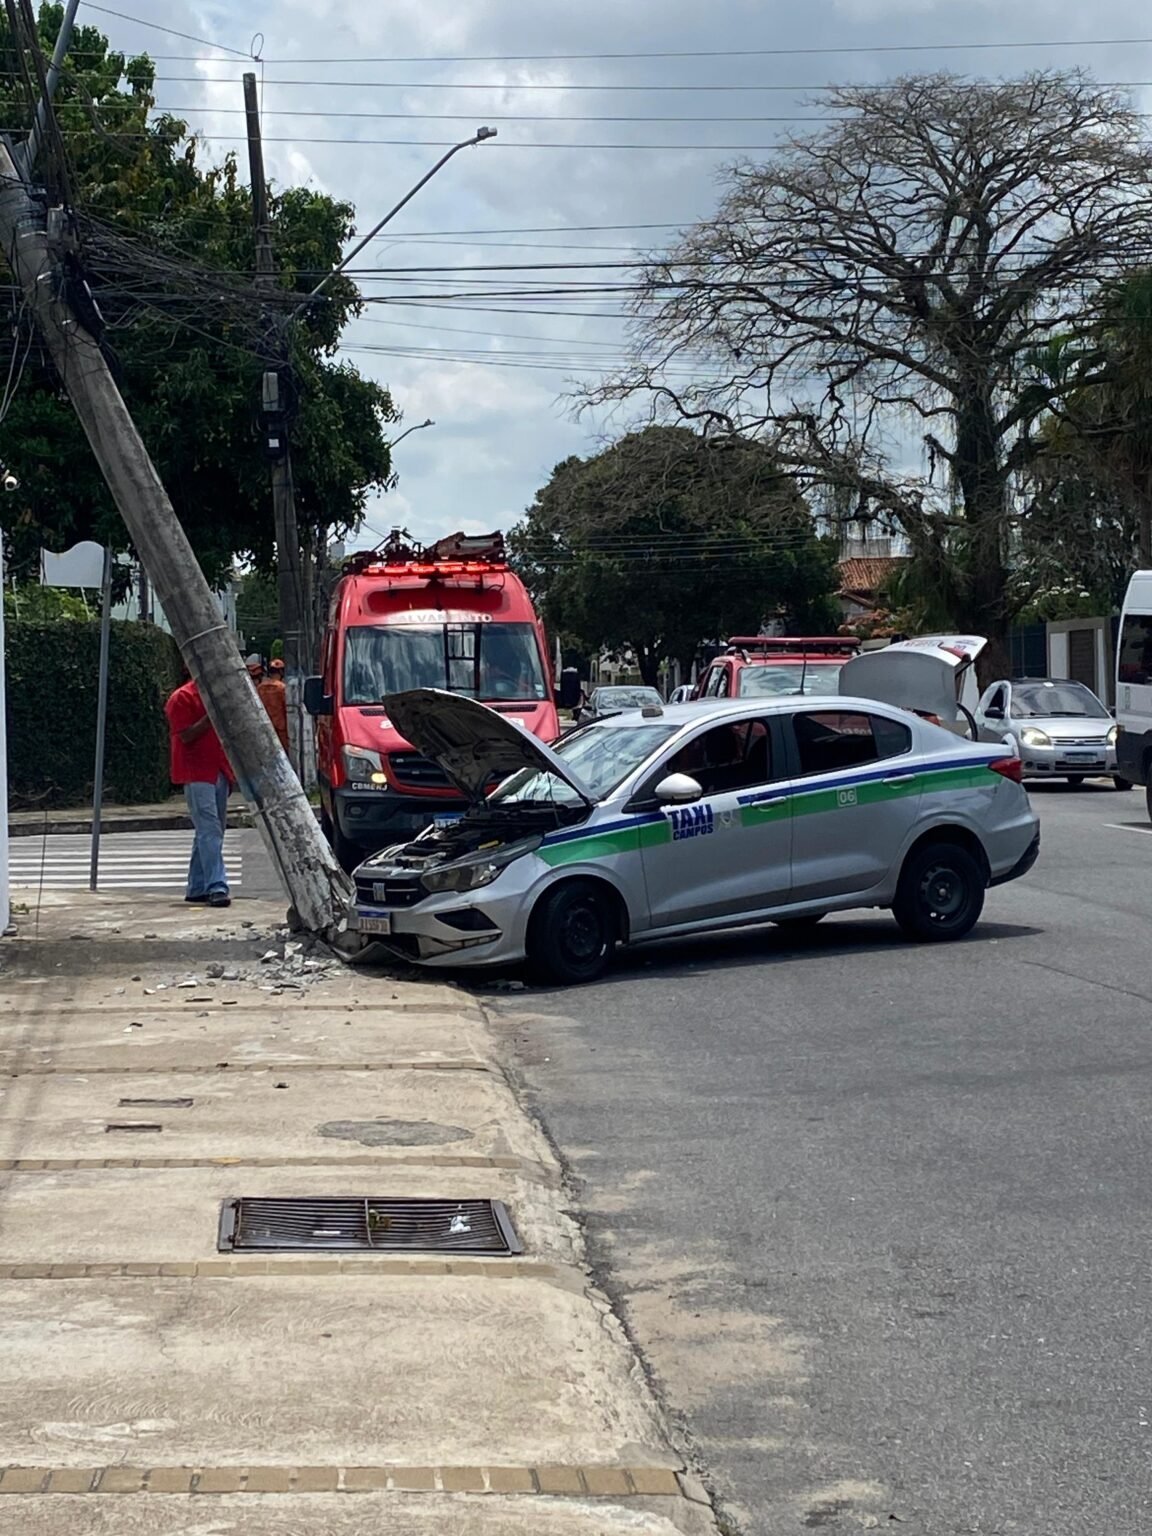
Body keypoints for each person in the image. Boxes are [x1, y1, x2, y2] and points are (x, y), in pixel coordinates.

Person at [165, 671, 234, 908]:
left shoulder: (216, 697)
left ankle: (196, 886)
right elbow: (185, 736)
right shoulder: (182, 698)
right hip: (197, 773)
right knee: (209, 829)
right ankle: (217, 886)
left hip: (218, 769)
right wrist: (209, 717)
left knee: (211, 831)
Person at [256, 655, 290, 754]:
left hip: (266, 728)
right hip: (281, 729)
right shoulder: (283, 688)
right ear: (281, 672)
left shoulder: (260, 688)